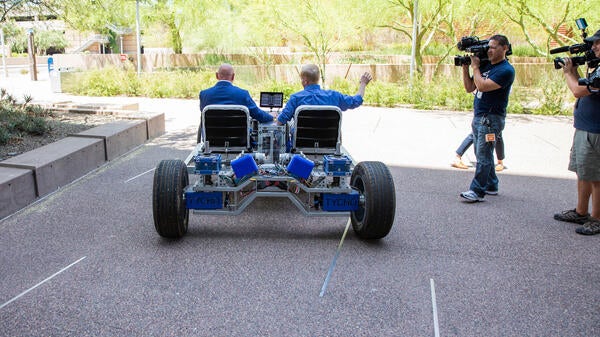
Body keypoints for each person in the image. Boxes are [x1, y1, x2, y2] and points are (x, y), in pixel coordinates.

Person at [553, 29, 600, 235]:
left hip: (596, 130)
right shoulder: (597, 67)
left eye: (598, 44)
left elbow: (578, 90)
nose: (594, 47)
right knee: (584, 172)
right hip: (585, 126)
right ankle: (581, 211)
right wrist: (573, 70)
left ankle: (597, 218)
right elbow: (584, 86)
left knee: (596, 176)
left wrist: (567, 73)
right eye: (593, 44)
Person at [459, 35, 515, 202]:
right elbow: (470, 87)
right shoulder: (486, 66)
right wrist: (465, 68)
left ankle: (477, 191)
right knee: (482, 152)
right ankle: (491, 184)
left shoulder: (506, 70)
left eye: (493, 47)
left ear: (504, 48)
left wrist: (475, 67)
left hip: (491, 119)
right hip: (479, 116)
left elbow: (483, 85)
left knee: (483, 155)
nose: (489, 51)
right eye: (488, 47)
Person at [198, 63, 276, 142]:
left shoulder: (204, 94)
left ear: (217, 75)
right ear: (233, 77)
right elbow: (258, 115)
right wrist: (271, 116)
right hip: (238, 142)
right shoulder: (242, 94)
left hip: (211, 143)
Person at [276, 64, 372, 125]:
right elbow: (356, 101)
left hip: (302, 143)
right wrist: (363, 83)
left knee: (291, 123)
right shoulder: (334, 96)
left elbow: (281, 122)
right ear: (318, 79)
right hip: (329, 144)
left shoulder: (295, 98)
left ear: (305, 81)